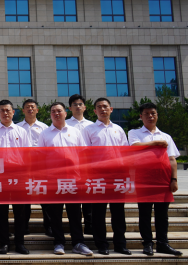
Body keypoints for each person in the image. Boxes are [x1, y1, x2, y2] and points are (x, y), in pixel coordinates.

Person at [37, 102, 93, 256]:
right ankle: (59, 243)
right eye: (53, 111)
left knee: (75, 213)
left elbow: (83, 154)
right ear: (50, 114)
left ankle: (78, 243)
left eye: (59, 111)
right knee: (55, 214)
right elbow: (40, 157)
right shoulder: (45, 134)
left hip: (73, 179)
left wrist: (83, 175)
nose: (56, 113)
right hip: (53, 180)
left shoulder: (75, 132)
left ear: (65, 113)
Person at [129, 102, 182, 256]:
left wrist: (174, 179)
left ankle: (163, 243)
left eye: (153, 113)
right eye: (146, 114)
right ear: (141, 117)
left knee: (162, 214)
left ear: (157, 115)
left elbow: (172, 159)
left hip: (163, 180)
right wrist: (156, 143)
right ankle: (147, 243)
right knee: (144, 213)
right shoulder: (134, 132)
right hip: (144, 179)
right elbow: (135, 147)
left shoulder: (165, 136)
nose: (150, 116)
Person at [83, 97, 130, 255]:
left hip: (117, 175)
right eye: (99, 107)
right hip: (98, 175)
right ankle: (101, 244)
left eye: (105, 106)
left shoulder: (119, 129)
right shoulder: (89, 130)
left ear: (111, 109)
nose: (102, 109)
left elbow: (125, 152)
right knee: (98, 212)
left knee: (118, 212)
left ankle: (120, 244)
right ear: (94, 111)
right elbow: (85, 153)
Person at [0, 100, 32, 255]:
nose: (5, 113)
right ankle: (4, 242)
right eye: (2, 110)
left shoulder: (21, 131)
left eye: (8, 110)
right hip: (0, 176)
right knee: (1, 211)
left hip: (19, 175)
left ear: (13, 112)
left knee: (20, 212)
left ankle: (20, 243)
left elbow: (28, 154)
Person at [16, 98, 49, 236]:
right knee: (24, 198)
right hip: (23, 168)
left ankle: (49, 227)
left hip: (40, 167)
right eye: (27, 107)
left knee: (45, 197)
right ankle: (24, 227)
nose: (30, 109)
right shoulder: (17, 127)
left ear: (37, 110)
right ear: (23, 110)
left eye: (32, 107)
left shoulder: (44, 128)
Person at [66, 94, 95, 235]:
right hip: (71, 168)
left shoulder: (92, 125)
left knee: (88, 195)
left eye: (80, 104)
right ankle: (76, 228)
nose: (78, 107)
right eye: (75, 104)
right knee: (74, 197)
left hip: (88, 166)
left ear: (85, 107)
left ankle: (89, 225)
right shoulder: (65, 124)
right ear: (70, 108)